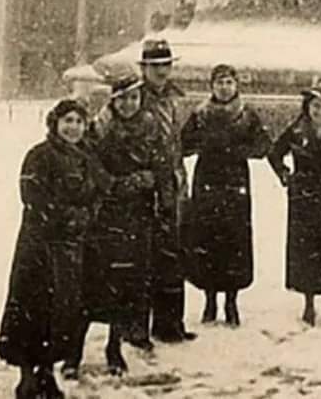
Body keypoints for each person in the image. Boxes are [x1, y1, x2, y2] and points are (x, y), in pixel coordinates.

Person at [62, 62, 175, 379]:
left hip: (137, 220)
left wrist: (162, 202)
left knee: (126, 287)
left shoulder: (152, 128)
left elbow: (163, 168)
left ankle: (114, 346)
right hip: (102, 218)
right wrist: (119, 184)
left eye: (134, 99)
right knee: (90, 285)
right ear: (113, 100)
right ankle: (73, 351)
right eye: (122, 99)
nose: (128, 105)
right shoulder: (98, 129)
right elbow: (91, 166)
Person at [0, 99, 99, 399]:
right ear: (54, 123)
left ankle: (48, 373)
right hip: (38, 247)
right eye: (67, 121)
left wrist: (87, 214)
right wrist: (67, 217)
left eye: (79, 122)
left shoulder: (85, 157)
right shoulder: (39, 156)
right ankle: (27, 377)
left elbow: (97, 192)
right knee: (32, 309)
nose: (73, 127)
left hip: (68, 250)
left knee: (61, 311)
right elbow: (33, 196)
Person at [181, 64, 271, 327]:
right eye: (219, 82)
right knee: (207, 240)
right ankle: (209, 300)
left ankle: (231, 302)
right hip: (207, 184)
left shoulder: (246, 115)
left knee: (234, 243)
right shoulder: (200, 114)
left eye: (229, 82)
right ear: (212, 86)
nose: (224, 87)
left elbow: (263, 145)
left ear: (237, 86)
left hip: (234, 185)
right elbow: (183, 143)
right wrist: (201, 145)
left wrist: (239, 150)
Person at [268, 81, 321, 326]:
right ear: (307, 107)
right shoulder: (297, 130)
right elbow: (274, 153)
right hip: (303, 198)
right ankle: (309, 302)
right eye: (315, 106)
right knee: (307, 250)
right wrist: (285, 175)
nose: (320, 112)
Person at [137, 39, 197, 345]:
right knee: (144, 258)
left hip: (174, 184)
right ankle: (137, 329)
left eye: (166, 65)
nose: (161, 71)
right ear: (144, 69)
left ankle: (170, 323)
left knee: (172, 256)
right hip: (146, 187)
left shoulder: (175, 98)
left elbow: (178, 141)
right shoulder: (134, 98)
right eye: (155, 66)